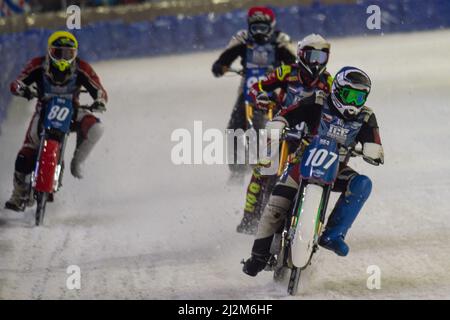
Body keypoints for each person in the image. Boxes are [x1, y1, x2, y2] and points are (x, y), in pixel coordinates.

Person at [242, 66, 384, 276]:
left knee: (362, 183)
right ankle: (258, 255)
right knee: (275, 206)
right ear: (336, 90)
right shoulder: (318, 101)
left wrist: (374, 150)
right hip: (301, 163)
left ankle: (334, 235)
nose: (353, 103)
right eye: (349, 95)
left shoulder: (366, 117)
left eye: (359, 97)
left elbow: (375, 143)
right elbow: (289, 114)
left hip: (336, 169)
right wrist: (279, 123)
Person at [237, 34, 332, 234]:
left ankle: (305, 220)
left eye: (320, 57)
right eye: (311, 56)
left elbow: (335, 108)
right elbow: (257, 87)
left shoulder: (328, 81)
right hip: (281, 128)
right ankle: (248, 217)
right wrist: (261, 97)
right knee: (262, 169)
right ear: (301, 55)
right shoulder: (286, 72)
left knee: (307, 174)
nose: (315, 63)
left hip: (308, 135)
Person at [4, 30, 107, 212]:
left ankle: (77, 162)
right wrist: (21, 88)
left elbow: (98, 89)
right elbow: (19, 80)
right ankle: (19, 194)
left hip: (73, 111)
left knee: (96, 128)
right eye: (58, 52)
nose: (63, 58)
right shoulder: (38, 64)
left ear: (75, 54)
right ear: (49, 51)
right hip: (44, 111)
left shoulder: (82, 67)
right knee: (25, 155)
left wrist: (99, 101)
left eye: (68, 54)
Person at [211, 6, 296, 172]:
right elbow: (225, 58)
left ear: (271, 26)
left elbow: (294, 63)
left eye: (263, 28)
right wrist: (220, 66)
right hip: (248, 89)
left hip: (275, 87)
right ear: (248, 26)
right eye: (255, 27)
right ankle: (237, 169)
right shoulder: (242, 40)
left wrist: (288, 73)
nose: (259, 32)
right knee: (234, 127)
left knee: (290, 123)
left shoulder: (281, 41)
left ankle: (286, 162)